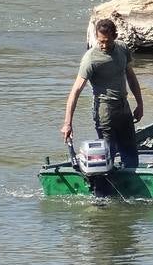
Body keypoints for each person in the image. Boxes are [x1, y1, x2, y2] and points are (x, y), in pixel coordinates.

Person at [61, 18, 144, 168]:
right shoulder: (91, 59)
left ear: (115, 36)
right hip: (105, 111)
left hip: (123, 107)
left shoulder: (122, 49)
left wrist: (140, 104)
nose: (103, 45)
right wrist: (68, 124)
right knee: (108, 155)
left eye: (107, 41)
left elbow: (131, 77)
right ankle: (104, 189)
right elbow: (76, 91)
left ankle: (132, 185)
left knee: (131, 152)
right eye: (100, 41)